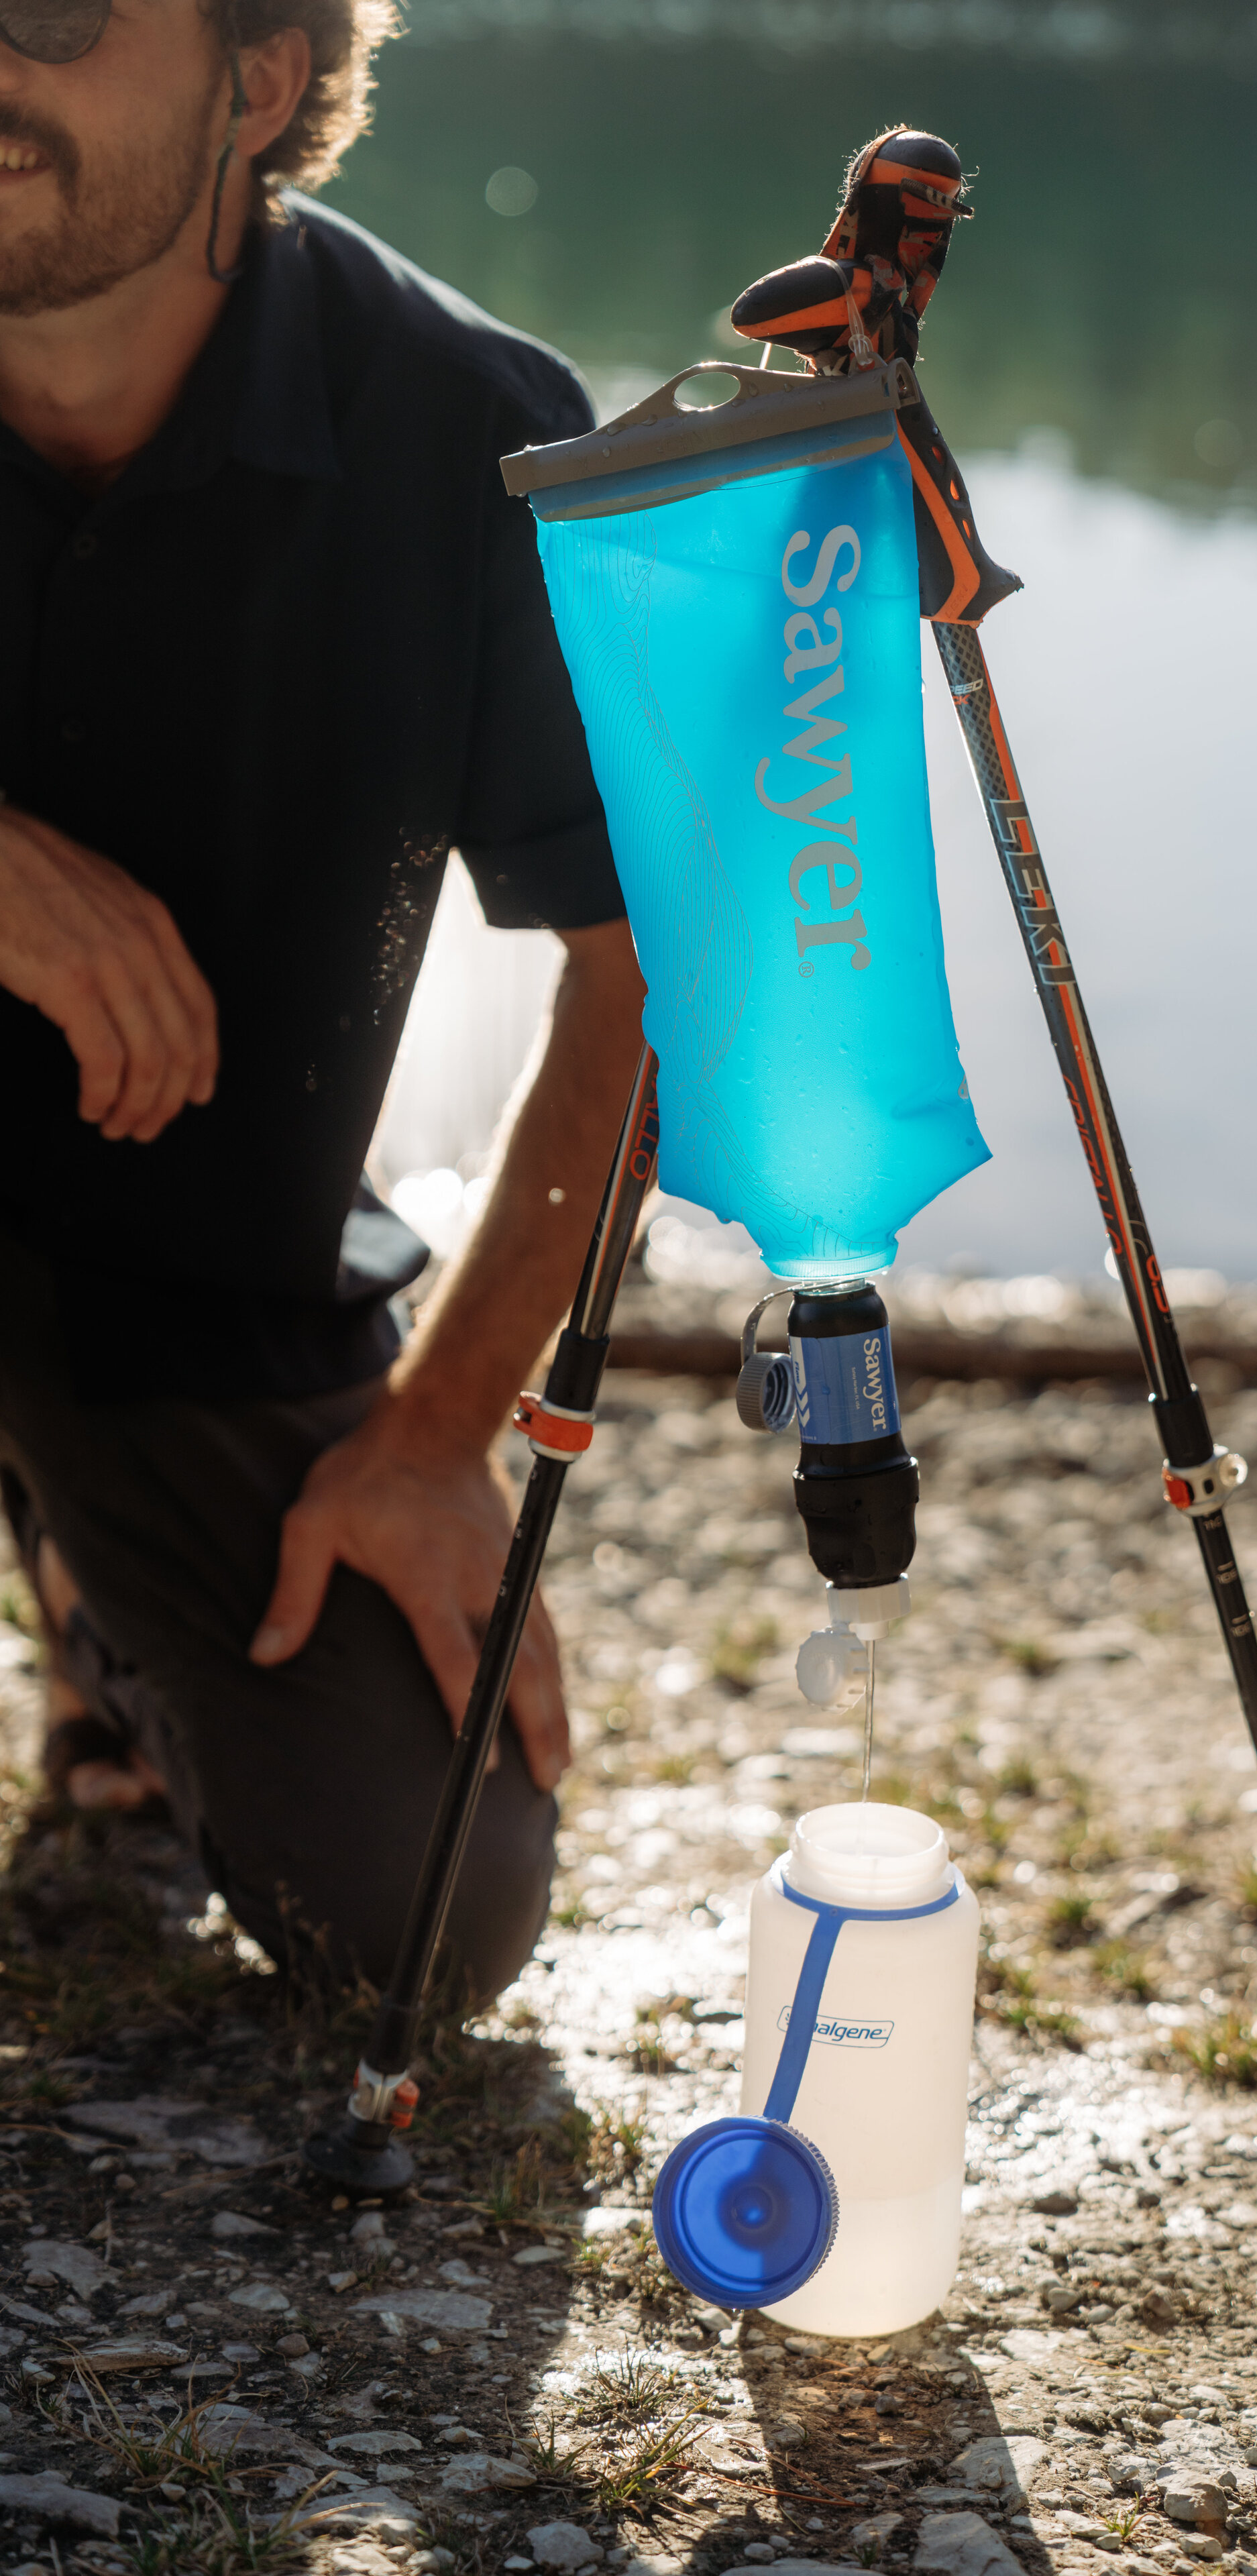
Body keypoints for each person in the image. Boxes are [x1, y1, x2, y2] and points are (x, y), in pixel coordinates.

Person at [0, 0, 645, 2000]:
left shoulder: (473, 435)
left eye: (53, 20)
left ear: (260, 82)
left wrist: (446, 1433)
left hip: (197, 1293)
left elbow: (646, 971)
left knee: (428, 1911)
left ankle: (96, 1582)